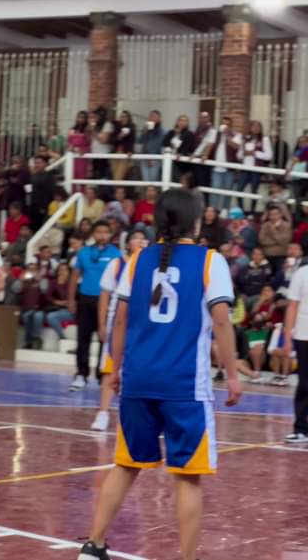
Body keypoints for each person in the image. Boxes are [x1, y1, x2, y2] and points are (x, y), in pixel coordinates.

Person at [76, 189, 241, 560]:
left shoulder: (136, 260)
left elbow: (118, 323)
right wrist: (232, 374)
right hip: (184, 386)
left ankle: (93, 546)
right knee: (187, 476)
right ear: (196, 222)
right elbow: (221, 322)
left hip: (138, 380)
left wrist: (114, 369)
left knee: (125, 465)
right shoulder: (210, 262)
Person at [91, 229, 148, 432]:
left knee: (136, 372)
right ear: (128, 242)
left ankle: (133, 417)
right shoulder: (117, 264)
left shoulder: (150, 266)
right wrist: (101, 323)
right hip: (118, 323)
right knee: (110, 370)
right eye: (136, 238)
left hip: (141, 325)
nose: (140, 241)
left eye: (143, 239)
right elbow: (104, 297)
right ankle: (103, 413)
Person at [68, 220, 121, 391]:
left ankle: (101, 376)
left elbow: (120, 279)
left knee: (103, 338)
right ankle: (81, 374)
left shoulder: (116, 253)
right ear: (93, 233)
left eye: (105, 232)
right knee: (83, 338)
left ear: (110, 234)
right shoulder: (84, 252)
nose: (102, 235)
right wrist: (71, 299)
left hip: (105, 301)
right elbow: (75, 276)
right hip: (85, 299)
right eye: (98, 231)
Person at [284, 265, 308, 442]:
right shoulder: (301, 273)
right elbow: (292, 306)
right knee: (305, 384)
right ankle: (301, 429)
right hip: (304, 335)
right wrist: (287, 337)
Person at [237, 121, 273, 213]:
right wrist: (243, 153)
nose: (255, 128)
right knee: (239, 190)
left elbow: (269, 156)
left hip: (256, 169)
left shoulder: (264, 139)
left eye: (258, 127)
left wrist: (255, 153)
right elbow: (239, 155)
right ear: (250, 128)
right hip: (245, 169)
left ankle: (252, 213)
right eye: (253, 126)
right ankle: (241, 211)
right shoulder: (245, 139)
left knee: (254, 191)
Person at [209, 116, 241, 215]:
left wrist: (227, 136)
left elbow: (236, 147)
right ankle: (213, 211)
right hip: (216, 167)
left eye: (227, 124)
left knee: (227, 190)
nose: (224, 126)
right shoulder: (215, 134)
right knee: (215, 190)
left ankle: (224, 210)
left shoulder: (236, 135)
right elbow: (209, 145)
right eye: (223, 124)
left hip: (229, 168)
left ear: (230, 126)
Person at [13, 261, 48, 349]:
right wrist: (20, 279)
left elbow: (44, 290)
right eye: (30, 270)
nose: (32, 272)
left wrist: (39, 279)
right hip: (25, 309)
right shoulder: (23, 281)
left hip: (39, 309)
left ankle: (34, 340)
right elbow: (15, 290)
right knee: (26, 316)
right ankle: (32, 341)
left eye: (34, 269)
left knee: (38, 316)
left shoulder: (43, 280)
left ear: (37, 270)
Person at [259, 205, 292, 274]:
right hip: (267, 255)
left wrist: (273, 230)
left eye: (276, 214)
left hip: (280, 256)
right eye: (271, 214)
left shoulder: (286, 226)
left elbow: (284, 241)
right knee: (267, 275)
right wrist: (277, 242)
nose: (273, 216)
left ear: (281, 214)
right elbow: (261, 240)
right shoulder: (265, 225)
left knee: (279, 275)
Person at [45, 263, 74, 339]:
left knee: (51, 316)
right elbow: (47, 296)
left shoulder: (72, 282)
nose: (62, 272)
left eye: (65, 270)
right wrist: (56, 302)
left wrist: (61, 285)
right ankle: (63, 337)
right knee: (50, 316)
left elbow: (67, 297)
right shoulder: (54, 282)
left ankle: (62, 338)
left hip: (71, 310)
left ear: (69, 272)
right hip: (58, 308)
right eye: (61, 270)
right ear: (57, 271)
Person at [163, 115, 195, 182]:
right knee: (168, 179)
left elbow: (188, 146)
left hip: (181, 163)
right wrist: (176, 134)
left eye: (185, 121)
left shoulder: (189, 134)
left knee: (179, 181)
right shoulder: (171, 132)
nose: (183, 122)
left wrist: (181, 153)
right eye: (181, 120)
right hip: (170, 160)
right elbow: (165, 143)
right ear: (177, 122)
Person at [192, 111, 216, 199]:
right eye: (201, 117)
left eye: (205, 117)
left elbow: (210, 144)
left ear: (208, 119)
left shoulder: (211, 130)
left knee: (204, 184)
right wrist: (193, 154)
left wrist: (205, 155)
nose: (203, 119)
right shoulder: (197, 129)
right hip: (196, 161)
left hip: (205, 161)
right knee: (196, 183)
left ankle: (204, 206)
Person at [30, 156, 55, 232]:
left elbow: (50, 193)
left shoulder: (48, 176)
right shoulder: (33, 176)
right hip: (33, 207)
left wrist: (44, 207)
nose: (37, 165)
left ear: (45, 164)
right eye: (36, 163)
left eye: (39, 163)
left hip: (43, 208)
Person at [138, 110, 164, 182]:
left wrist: (152, 157)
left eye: (154, 116)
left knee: (153, 182)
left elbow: (159, 145)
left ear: (159, 119)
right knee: (145, 181)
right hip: (144, 158)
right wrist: (144, 131)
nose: (151, 118)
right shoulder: (146, 130)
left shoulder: (162, 132)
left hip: (154, 159)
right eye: (150, 116)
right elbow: (139, 141)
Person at [110, 111, 136, 181]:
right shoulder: (116, 127)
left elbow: (132, 141)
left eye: (124, 116)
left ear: (128, 118)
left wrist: (130, 150)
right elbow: (111, 139)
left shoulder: (131, 127)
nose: (123, 118)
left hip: (125, 153)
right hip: (115, 153)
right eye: (121, 116)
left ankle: (116, 190)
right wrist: (118, 137)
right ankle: (117, 190)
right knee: (115, 174)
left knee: (118, 176)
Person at [88, 106, 113, 179]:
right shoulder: (96, 125)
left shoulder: (107, 125)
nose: (95, 118)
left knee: (102, 177)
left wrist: (93, 131)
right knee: (94, 176)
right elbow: (90, 140)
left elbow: (103, 141)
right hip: (94, 154)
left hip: (103, 155)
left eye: (97, 116)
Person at [67, 111, 90, 185]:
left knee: (82, 178)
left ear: (86, 119)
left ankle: (82, 195)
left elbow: (90, 144)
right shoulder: (72, 130)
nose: (80, 119)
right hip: (73, 156)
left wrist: (84, 150)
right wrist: (71, 148)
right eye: (79, 117)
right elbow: (69, 143)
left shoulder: (87, 130)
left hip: (82, 157)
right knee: (72, 176)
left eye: (83, 117)